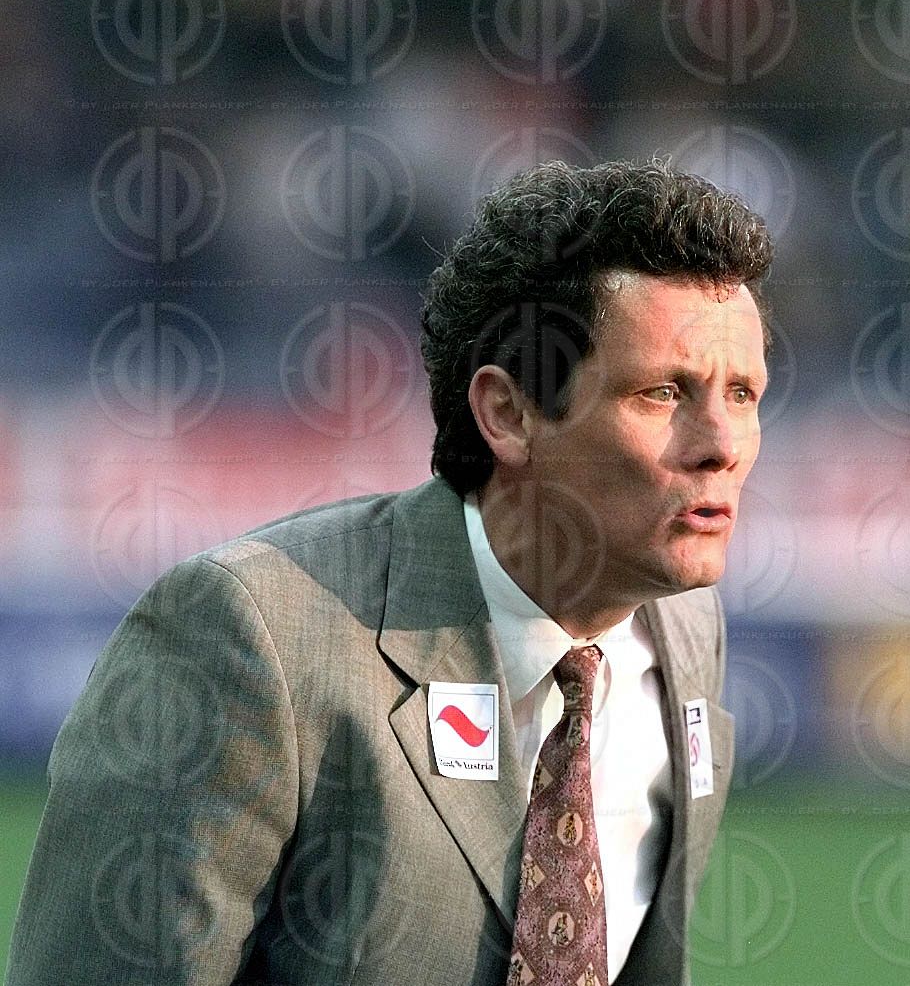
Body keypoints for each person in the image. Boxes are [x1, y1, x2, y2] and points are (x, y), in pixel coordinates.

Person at [5, 160, 774, 985]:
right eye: (663, 392)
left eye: (743, 393)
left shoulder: (683, 630)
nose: (723, 445)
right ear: (508, 414)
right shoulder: (247, 637)